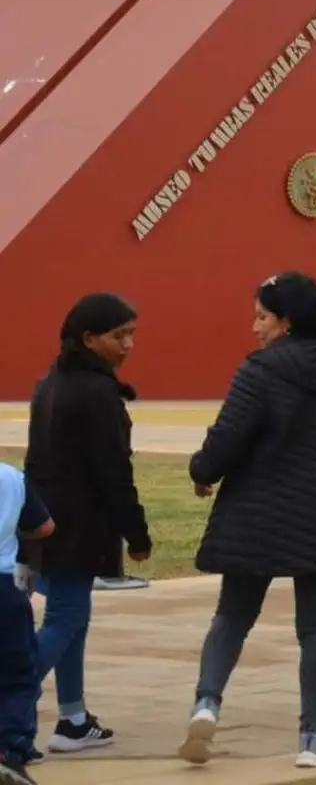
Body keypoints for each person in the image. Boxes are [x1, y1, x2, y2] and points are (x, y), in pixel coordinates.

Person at [181, 272, 316, 769]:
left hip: (259, 513)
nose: (254, 328)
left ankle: (207, 703)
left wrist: (202, 471)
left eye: (261, 317)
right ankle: (314, 737)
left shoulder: (261, 370)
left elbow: (229, 435)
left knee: (232, 615)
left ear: (287, 321)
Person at [24, 295, 151, 755]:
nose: (129, 344)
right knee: (65, 619)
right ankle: (10, 695)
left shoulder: (50, 383)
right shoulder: (96, 392)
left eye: (132, 333)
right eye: (120, 335)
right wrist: (137, 534)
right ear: (89, 338)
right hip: (79, 524)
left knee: (71, 619)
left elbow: (35, 461)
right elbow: (114, 471)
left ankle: (73, 719)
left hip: (49, 521)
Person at [0, 461, 53, 784]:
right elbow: (44, 526)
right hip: (3, 587)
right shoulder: (11, 476)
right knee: (19, 673)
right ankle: (10, 749)